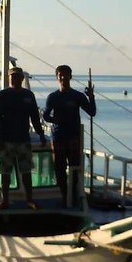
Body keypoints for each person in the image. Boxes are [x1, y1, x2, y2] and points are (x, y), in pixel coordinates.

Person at [0, 67, 46, 210]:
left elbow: (34, 116)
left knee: (26, 171)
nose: (15, 79)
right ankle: (5, 200)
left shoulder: (28, 95)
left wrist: (41, 134)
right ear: (9, 78)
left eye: (18, 76)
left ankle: (29, 199)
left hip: (23, 138)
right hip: (7, 139)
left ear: (22, 78)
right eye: (12, 76)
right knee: (5, 172)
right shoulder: (2, 95)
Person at [43, 64, 96, 207]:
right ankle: (64, 195)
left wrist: (91, 96)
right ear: (56, 77)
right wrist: (55, 120)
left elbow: (92, 112)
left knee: (74, 168)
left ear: (70, 77)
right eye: (60, 75)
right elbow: (46, 116)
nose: (63, 77)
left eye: (65, 75)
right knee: (59, 169)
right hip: (58, 137)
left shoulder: (77, 96)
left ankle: (72, 196)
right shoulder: (52, 97)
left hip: (73, 137)